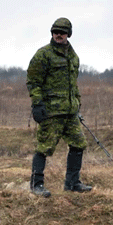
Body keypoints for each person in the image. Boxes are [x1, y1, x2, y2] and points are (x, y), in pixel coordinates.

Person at [27, 17, 91, 197]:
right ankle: (36, 185)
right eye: (55, 32)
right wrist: (37, 104)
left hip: (70, 112)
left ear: (68, 34)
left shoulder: (73, 56)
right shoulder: (43, 55)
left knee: (79, 144)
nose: (58, 35)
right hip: (51, 112)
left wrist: (76, 103)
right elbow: (33, 81)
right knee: (44, 147)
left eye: (62, 32)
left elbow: (73, 84)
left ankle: (72, 183)